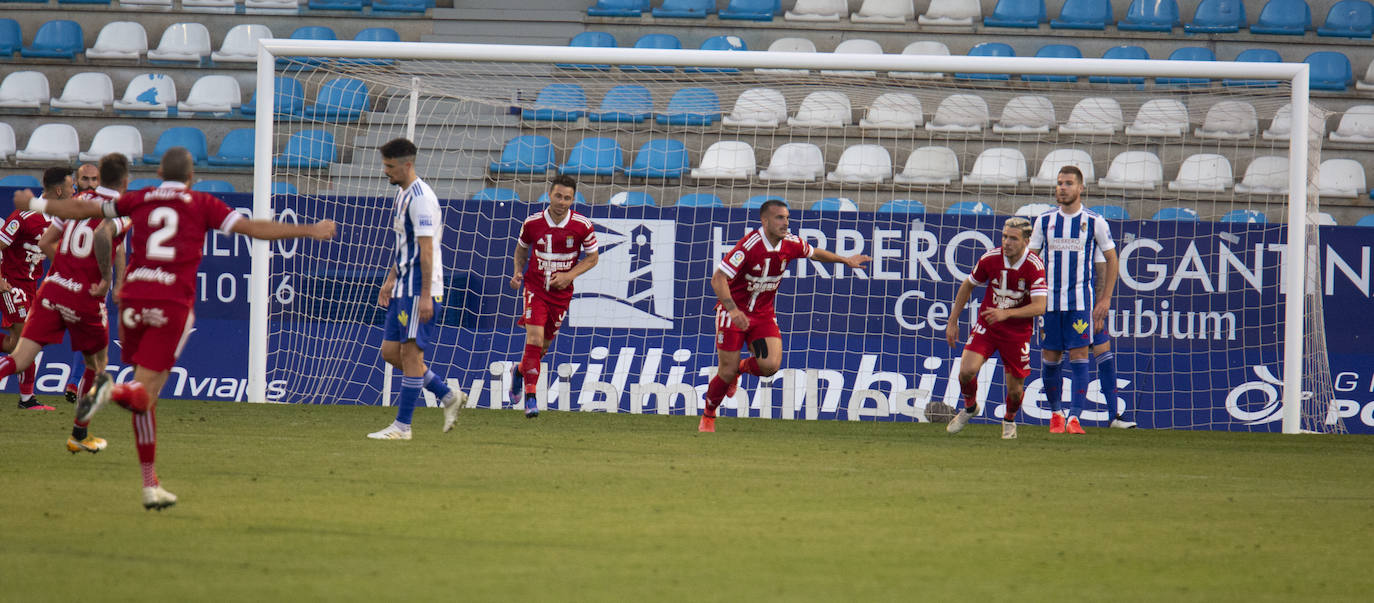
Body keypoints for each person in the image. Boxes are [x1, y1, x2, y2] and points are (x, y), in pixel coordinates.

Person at [13, 147, 336, 510]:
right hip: (169, 303)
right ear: (191, 176)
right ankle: (107, 390)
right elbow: (251, 228)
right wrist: (308, 229)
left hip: (133, 300)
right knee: (141, 393)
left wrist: (38, 205)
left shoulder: (139, 198)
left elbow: (83, 208)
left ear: (159, 173)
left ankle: (151, 485)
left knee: (144, 397)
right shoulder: (200, 202)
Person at [701, 200, 871, 433]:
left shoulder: (790, 243)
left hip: (761, 316)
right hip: (733, 314)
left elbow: (815, 253)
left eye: (787, 218)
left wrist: (845, 260)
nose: (785, 223)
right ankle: (708, 416)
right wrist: (733, 310)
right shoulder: (749, 246)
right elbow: (718, 278)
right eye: (780, 218)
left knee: (770, 365)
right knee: (725, 370)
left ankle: (740, 369)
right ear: (765, 221)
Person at [0, 154, 132, 453]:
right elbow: (104, 235)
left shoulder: (79, 200)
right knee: (98, 367)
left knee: (19, 356)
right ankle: (79, 434)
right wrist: (107, 278)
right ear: (125, 181)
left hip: (53, 287)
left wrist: (67, 269)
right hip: (84, 295)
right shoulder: (121, 210)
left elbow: (47, 241)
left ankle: (69, 423)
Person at [367, 137, 465, 440]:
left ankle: (402, 427)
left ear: (407, 165)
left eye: (389, 166)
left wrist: (424, 296)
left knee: (410, 356)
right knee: (390, 353)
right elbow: (405, 246)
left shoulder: (421, 198)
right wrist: (391, 277)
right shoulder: (403, 194)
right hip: (403, 286)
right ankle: (448, 395)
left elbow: (426, 251)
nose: (385, 171)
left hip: (419, 289)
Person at [1028, 166, 1119, 435]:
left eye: (1068, 183)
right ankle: (1056, 414)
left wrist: (1105, 299)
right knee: (1050, 356)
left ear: (1081, 188)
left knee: (1080, 355)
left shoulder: (1094, 221)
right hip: (1050, 304)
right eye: (1059, 183)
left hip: (1080, 302)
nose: (1062, 188)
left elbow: (1112, 259)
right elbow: (1032, 259)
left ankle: (1075, 418)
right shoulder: (1044, 221)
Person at [944, 217, 1047, 439]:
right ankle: (970, 407)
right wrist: (953, 320)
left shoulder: (1034, 266)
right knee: (966, 371)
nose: (1007, 242)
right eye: (1004, 237)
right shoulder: (991, 257)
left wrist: (1006, 313)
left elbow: (1040, 306)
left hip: (1017, 333)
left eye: (1013, 238)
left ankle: (1009, 420)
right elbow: (967, 285)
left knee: (1015, 390)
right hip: (988, 325)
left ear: (1026, 241)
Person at [509, 174, 598, 419]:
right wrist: (518, 272)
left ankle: (518, 371)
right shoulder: (533, 222)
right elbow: (521, 249)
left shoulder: (582, 225)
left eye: (567, 198)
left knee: (543, 346)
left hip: (560, 294)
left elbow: (593, 257)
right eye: (558, 196)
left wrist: (569, 275)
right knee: (535, 340)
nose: (562, 201)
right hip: (535, 288)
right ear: (549, 194)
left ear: (573, 199)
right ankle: (530, 397)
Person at [1, 167, 59, 410]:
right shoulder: (25, 216)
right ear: (59, 189)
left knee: (20, 344)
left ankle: (27, 400)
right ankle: (27, 399)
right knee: (27, 342)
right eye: (71, 186)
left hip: (31, 284)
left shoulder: (59, 219)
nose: (74, 190)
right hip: (11, 283)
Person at [64, 162, 121, 405]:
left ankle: (76, 382)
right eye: (85, 179)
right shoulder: (68, 209)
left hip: (95, 283)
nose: (90, 184)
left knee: (88, 333)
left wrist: (117, 282)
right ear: (76, 182)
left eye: (94, 179)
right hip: (65, 280)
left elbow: (119, 249)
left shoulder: (108, 209)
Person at [1091, 250, 1136, 429]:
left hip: (1084, 305)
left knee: (1104, 354)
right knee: (1055, 357)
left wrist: (1099, 305)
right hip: (1058, 305)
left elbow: (1102, 271)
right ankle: (1059, 414)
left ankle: (1113, 417)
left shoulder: (1093, 227)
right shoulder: (1048, 226)